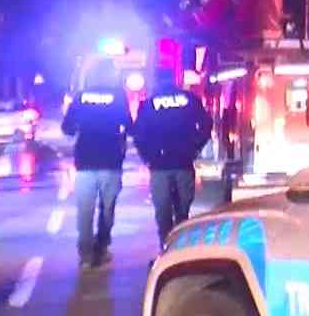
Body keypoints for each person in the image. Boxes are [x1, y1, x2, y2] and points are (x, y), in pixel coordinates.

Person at [61, 64, 133, 268]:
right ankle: (101, 248)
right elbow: (129, 125)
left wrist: (81, 126)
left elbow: (67, 128)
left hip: (85, 160)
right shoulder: (118, 97)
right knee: (107, 208)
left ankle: (85, 253)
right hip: (111, 159)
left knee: (85, 209)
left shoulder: (81, 97)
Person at [132, 67, 213, 244]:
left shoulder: (149, 104)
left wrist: (147, 156)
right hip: (183, 162)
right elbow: (206, 124)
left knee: (163, 212)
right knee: (182, 212)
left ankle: (166, 246)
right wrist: (196, 147)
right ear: (174, 80)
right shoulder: (189, 99)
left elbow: (137, 134)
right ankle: (181, 247)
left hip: (159, 165)